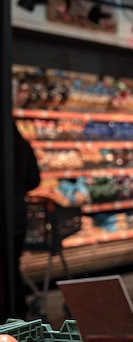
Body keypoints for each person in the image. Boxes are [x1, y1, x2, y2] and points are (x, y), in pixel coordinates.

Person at [0, 122, 41, 322]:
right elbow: (34, 180)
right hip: (18, 214)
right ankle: (17, 312)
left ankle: (11, 312)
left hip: (10, 213)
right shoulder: (22, 146)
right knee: (12, 265)